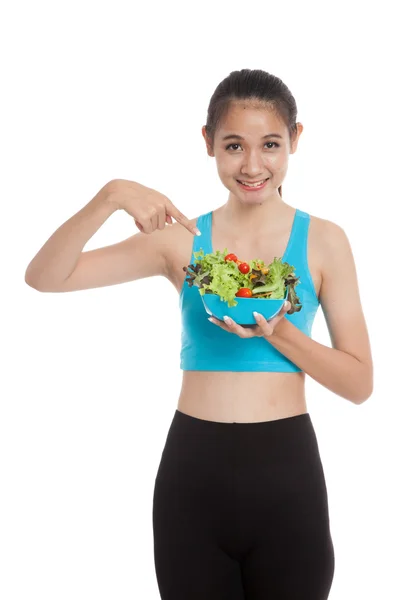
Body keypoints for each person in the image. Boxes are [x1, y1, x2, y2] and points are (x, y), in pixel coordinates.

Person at [25, 68, 373, 599]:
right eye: (234, 145)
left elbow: (359, 383)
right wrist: (111, 195)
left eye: (270, 145)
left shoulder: (324, 241)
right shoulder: (181, 243)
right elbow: (45, 278)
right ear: (208, 143)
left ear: (295, 142)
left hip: (288, 480)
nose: (252, 165)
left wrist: (278, 334)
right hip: (193, 477)